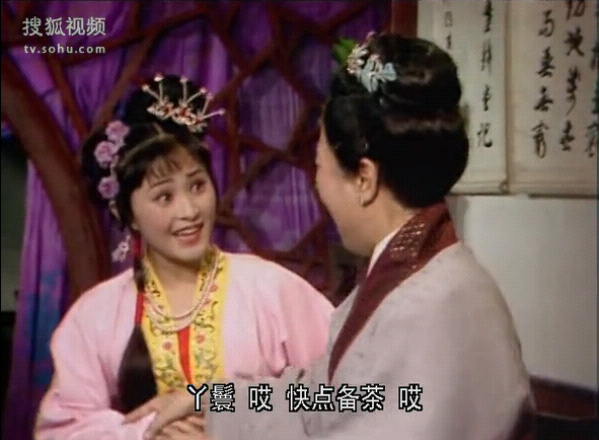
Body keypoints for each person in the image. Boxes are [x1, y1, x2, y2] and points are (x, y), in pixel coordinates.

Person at [128, 34, 535, 440]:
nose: (316, 183)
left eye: (319, 164)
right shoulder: (413, 276)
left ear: (364, 179)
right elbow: (327, 399)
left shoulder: (428, 309)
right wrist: (208, 399)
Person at [33, 74, 333, 440]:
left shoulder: (271, 289)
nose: (190, 211)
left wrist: (232, 422)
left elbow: (343, 395)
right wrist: (147, 432)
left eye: (197, 186)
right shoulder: (96, 314)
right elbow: (61, 430)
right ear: (129, 215)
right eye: (164, 197)